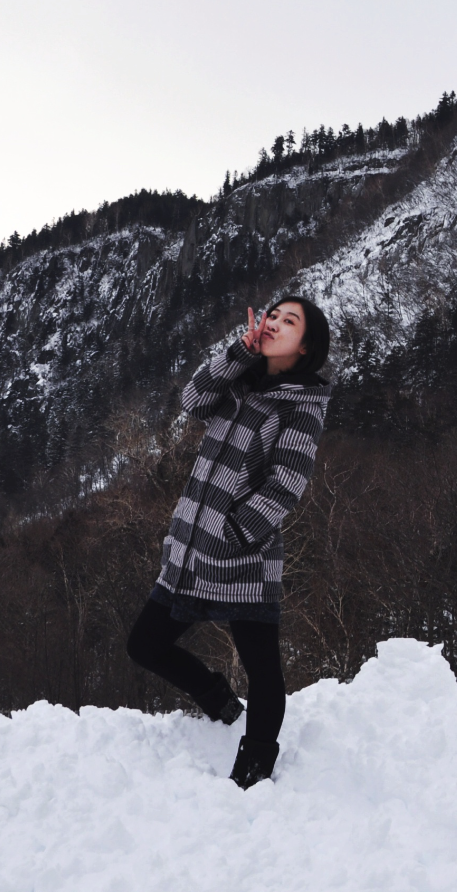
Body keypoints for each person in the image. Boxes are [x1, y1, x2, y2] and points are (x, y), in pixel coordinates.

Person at [125, 295, 332, 788]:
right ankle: (217, 700)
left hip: (243, 560)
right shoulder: (239, 381)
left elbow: (287, 484)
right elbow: (193, 400)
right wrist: (239, 351)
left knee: (263, 670)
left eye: (290, 321)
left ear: (305, 346)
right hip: (191, 551)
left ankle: (256, 764)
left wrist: (236, 534)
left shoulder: (302, 405)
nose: (276, 323)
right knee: (145, 645)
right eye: (274, 315)